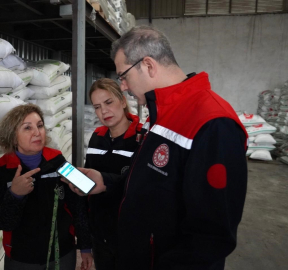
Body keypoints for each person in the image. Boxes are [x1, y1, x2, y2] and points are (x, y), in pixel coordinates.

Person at [67, 26, 249, 270]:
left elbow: (211, 234)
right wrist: (107, 182)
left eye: (123, 76)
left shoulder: (213, 123)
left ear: (149, 66)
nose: (123, 86)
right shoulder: (160, 116)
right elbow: (151, 183)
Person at [0, 104, 93, 270]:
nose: (37, 133)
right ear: (13, 137)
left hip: (62, 254)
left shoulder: (58, 161)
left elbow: (80, 204)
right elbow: (2, 223)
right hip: (22, 259)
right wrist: (15, 195)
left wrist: (86, 246)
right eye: (27, 128)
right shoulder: (1, 170)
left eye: (40, 126)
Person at [85, 78, 143, 270]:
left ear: (123, 101)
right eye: (97, 107)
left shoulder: (141, 139)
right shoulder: (96, 138)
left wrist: (106, 182)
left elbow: (142, 188)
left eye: (108, 102)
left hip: (131, 237)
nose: (104, 111)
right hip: (100, 235)